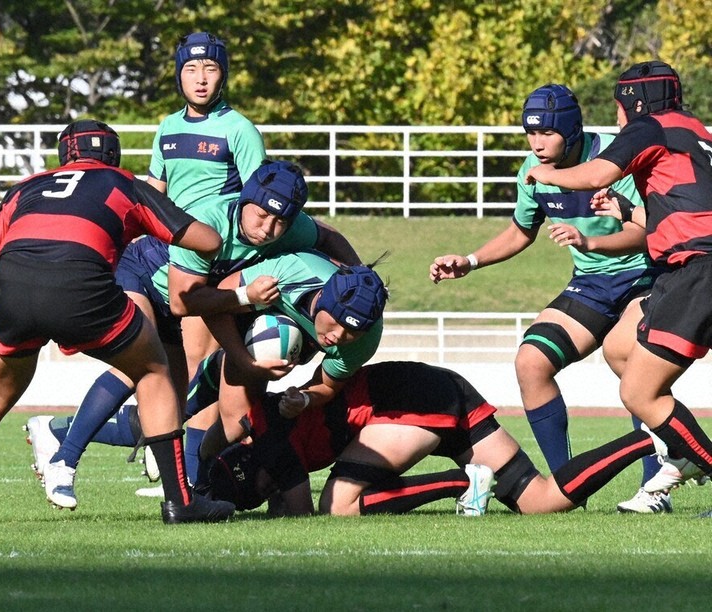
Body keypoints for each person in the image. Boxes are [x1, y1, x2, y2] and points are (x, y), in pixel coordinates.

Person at [0, 119, 235, 524]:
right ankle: (180, 502)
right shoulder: (124, 183)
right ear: (113, 155)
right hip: (82, 288)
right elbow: (206, 240)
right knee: (155, 368)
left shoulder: (25, 189)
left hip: (16, 293)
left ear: (65, 154)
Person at [29, 160, 360, 508]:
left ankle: (65, 435)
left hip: (188, 302)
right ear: (246, 199)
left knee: (169, 406)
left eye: (280, 222)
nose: (268, 228)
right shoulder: (210, 220)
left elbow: (326, 235)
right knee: (139, 361)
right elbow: (182, 302)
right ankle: (63, 459)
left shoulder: (290, 228)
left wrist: (360, 274)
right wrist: (246, 298)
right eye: (261, 215)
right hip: (142, 276)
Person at [429, 84, 663, 510]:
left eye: (547, 134)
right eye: (530, 134)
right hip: (592, 285)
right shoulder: (532, 171)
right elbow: (522, 230)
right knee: (531, 363)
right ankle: (568, 491)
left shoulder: (617, 155)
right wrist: (470, 260)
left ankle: (654, 490)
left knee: (629, 357)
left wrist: (588, 243)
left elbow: (650, 231)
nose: (537, 143)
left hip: (645, 278)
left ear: (571, 131)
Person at [524, 61, 712, 514]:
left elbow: (594, 174)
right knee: (621, 349)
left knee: (638, 394)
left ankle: (688, 457)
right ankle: (675, 458)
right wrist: (625, 208)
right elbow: (676, 204)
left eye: (619, 106)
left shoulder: (650, 127)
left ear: (636, 102)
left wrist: (543, 174)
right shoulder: (694, 130)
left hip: (698, 268)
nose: (618, 117)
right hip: (684, 270)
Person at [203, 360, 667, 517]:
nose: (267, 494)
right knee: (540, 500)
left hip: (409, 403)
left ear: (251, 472)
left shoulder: (268, 444)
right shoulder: (256, 432)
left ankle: (461, 483)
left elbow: (297, 510)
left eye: (258, 491)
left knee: (337, 507)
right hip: (434, 386)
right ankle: (649, 441)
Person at [148, 31, 267, 383]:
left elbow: (258, 202)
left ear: (223, 74)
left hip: (211, 263)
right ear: (178, 74)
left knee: (198, 365)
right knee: (153, 368)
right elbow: (154, 196)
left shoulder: (239, 129)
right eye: (191, 68)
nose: (200, 78)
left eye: (210, 67)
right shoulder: (167, 128)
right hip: (166, 259)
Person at [199, 250, 389, 463]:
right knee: (232, 424)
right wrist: (245, 361)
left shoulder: (365, 340)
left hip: (287, 336)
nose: (339, 336)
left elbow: (326, 386)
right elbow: (214, 302)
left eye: (353, 332)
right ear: (324, 300)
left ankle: (209, 482)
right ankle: (177, 447)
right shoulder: (289, 273)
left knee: (250, 427)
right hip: (237, 310)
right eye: (337, 322)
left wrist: (304, 399)